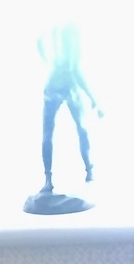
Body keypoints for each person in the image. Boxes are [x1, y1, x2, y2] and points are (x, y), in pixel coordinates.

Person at [39, 21, 102, 192]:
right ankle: (48, 178)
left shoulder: (62, 30)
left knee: (82, 128)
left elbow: (74, 68)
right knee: (50, 134)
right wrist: (94, 99)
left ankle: (89, 171)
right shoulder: (68, 30)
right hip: (55, 88)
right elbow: (76, 70)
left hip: (66, 86)